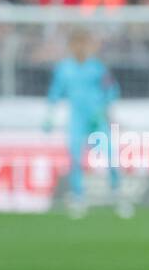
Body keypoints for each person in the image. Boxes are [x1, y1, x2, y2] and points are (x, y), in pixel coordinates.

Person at [44, 30, 131, 219]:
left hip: (96, 118)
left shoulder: (97, 68)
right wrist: (49, 116)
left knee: (110, 156)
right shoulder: (64, 68)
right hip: (77, 119)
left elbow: (111, 90)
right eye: (78, 44)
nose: (81, 48)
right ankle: (78, 196)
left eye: (84, 44)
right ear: (72, 46)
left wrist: (109, 113)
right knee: (75, 157)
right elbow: (55, 92)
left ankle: (117, 194)